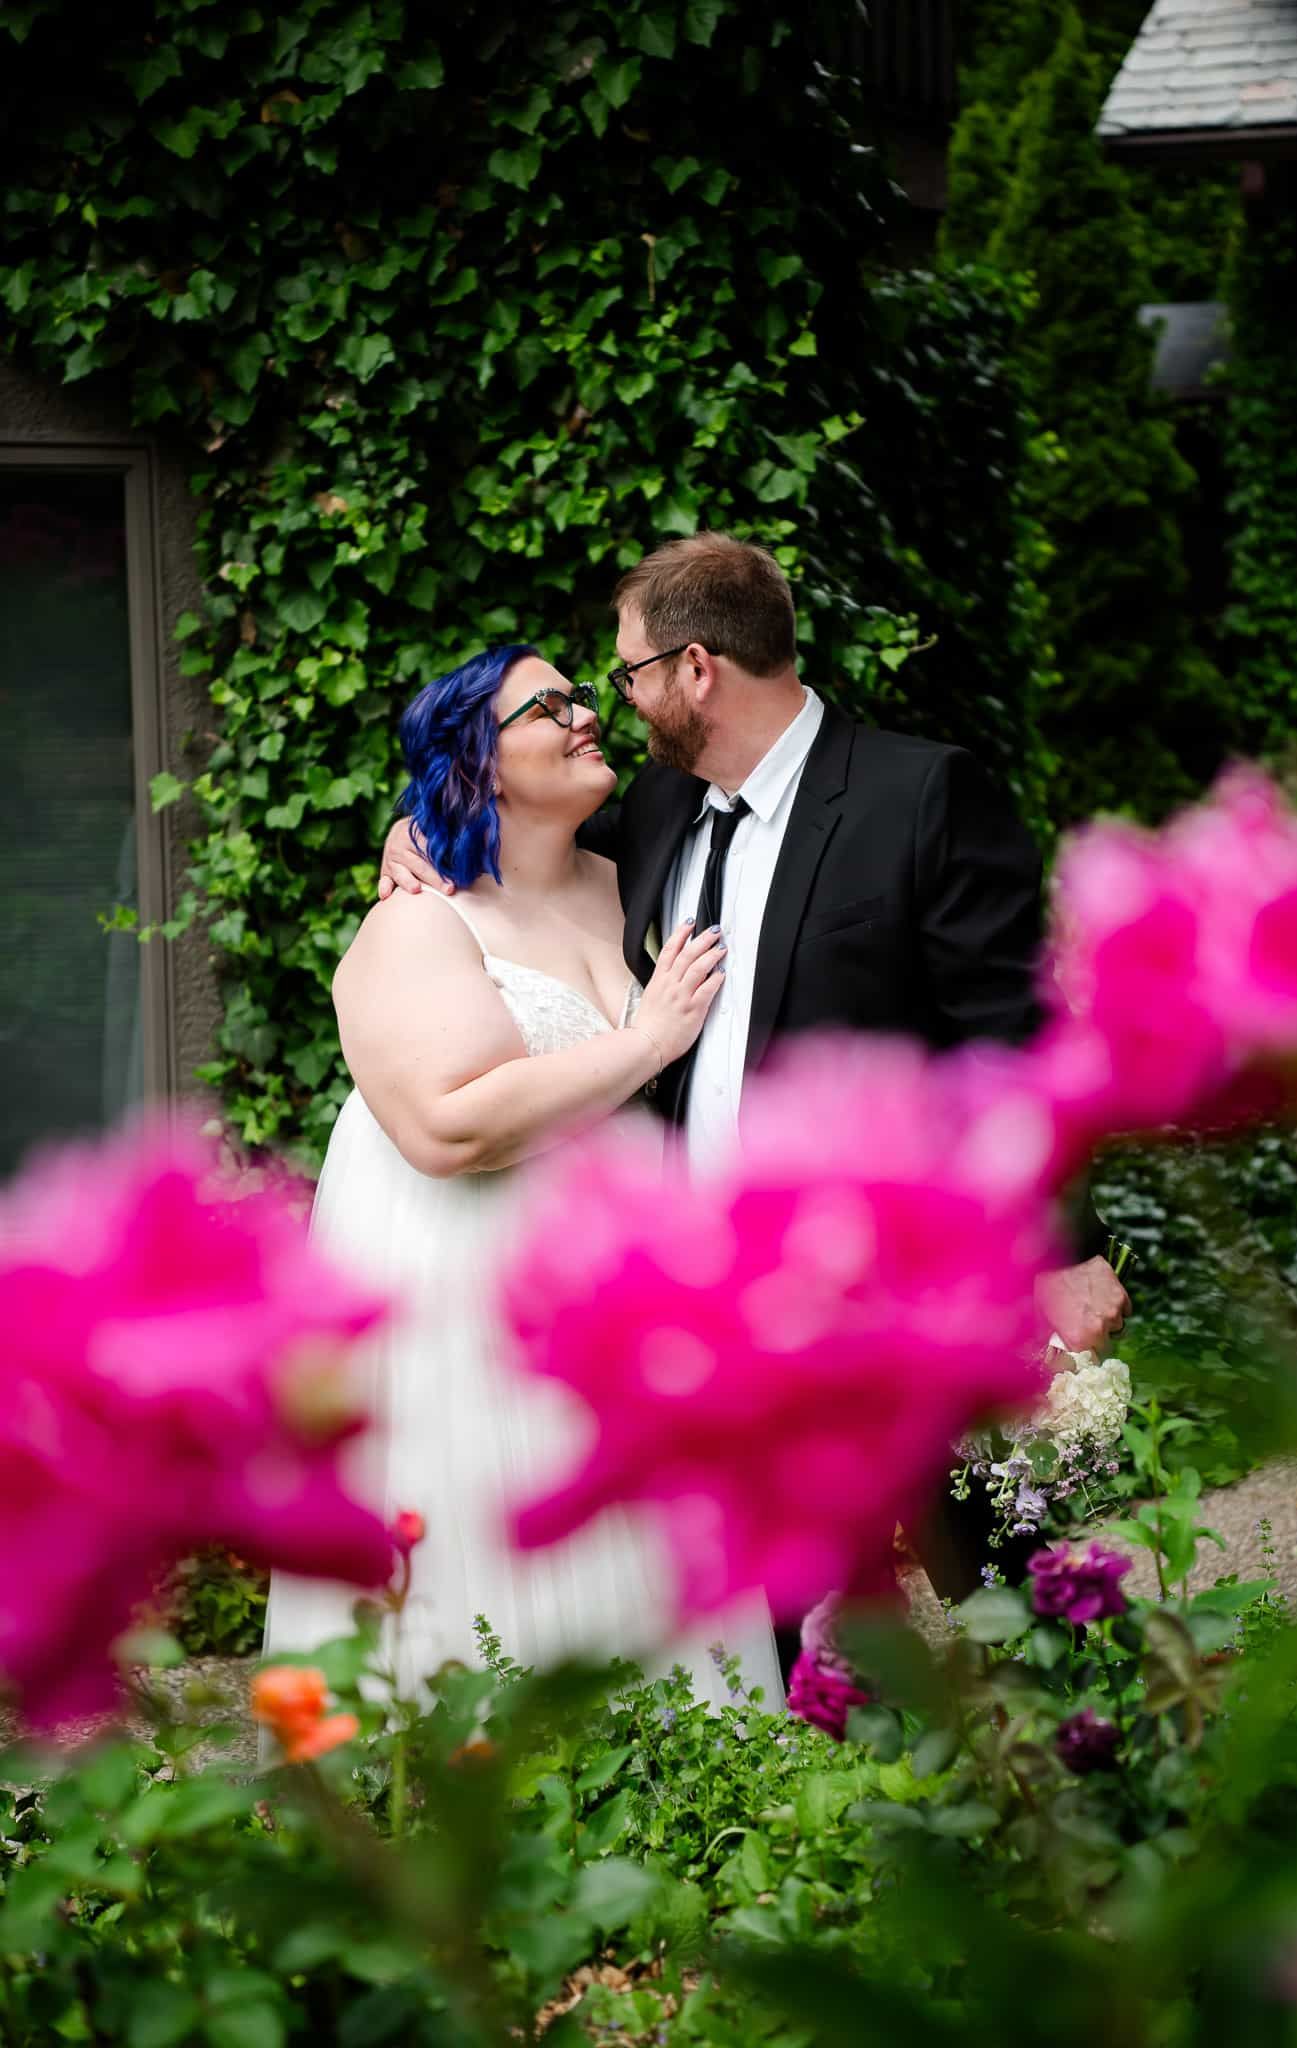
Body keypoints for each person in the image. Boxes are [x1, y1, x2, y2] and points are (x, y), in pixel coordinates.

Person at [381, 536, 1131, 1614]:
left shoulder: (918, 795)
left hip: (893, 1291)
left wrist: (1057, 1251)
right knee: (768, 1629)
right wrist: (405, 835)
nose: (618, 704)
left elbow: (1014, 1044)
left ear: (695, 671)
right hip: (723, 1318)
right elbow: (500, 835)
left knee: (1015, 1604)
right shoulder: (652, 811)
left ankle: (1095, 1768)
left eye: (631, 673)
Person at [264, 643, 783, 1707]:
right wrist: (643, 1045)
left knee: (641, 1561)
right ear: (479, 760)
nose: (584, 713)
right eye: (548, 707)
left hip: (613, 1300)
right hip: (468, 1306)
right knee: (497, 1569)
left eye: (581, 693)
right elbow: (445, 1128)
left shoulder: (642, 862)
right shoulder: (419, 918)